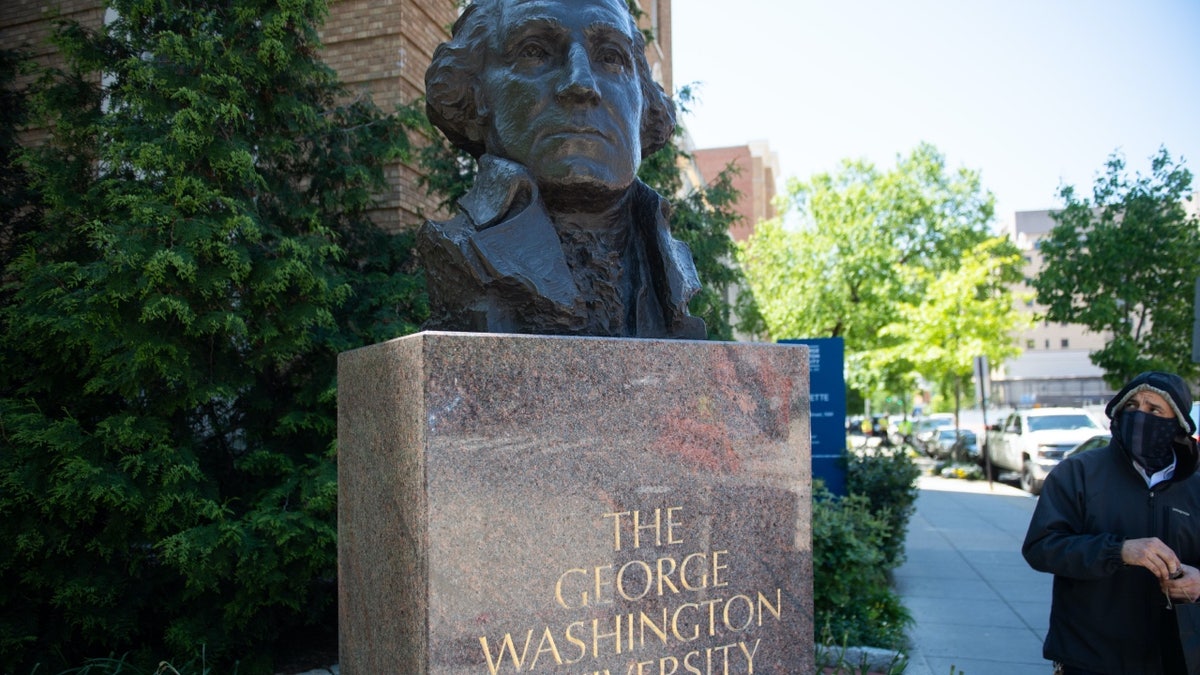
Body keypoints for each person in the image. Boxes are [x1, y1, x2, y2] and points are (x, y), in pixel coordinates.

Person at [418, 0, 706, 339]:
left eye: (611, 57)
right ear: (477, 93)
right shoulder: (460, 251)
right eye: (535, 51)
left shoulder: (670, 263)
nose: (581, 83)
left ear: (643, 103)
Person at [1023, 371, 1200, 674]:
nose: (1140, 415)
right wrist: (1118, 551)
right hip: (1091, 657)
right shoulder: (1077, 473)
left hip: (1175, 657)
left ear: (1177, 425)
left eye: (1154, 409)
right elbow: (1041, 547)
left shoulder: (1195, 488)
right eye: (1131, 406)